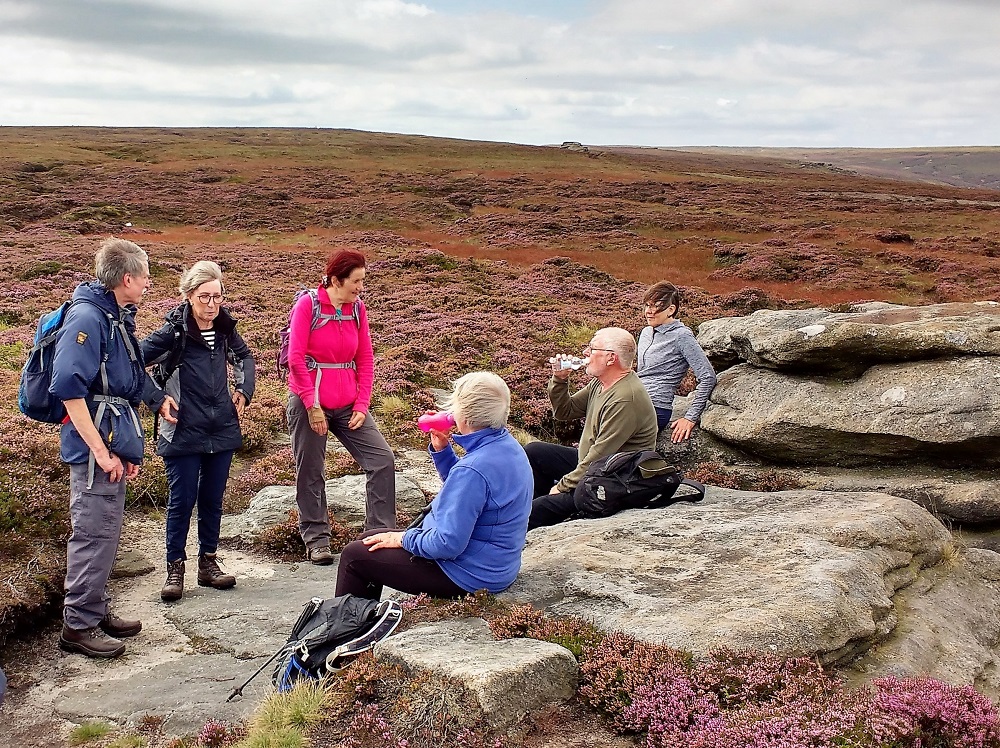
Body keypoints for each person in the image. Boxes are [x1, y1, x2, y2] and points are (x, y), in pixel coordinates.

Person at [336, 372, 533, 600]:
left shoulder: (472, 469)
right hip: (495, 564)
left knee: (355, 556)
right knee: (372, 537)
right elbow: (470, 496)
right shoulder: (509, 447)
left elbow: (447, 544)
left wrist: (403, 539)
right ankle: (364, 616)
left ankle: (346, 628)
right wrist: (442, 451)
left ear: (465, 416)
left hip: (468, 574)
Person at [50, 237, 150, 658]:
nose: (148, 283)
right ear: (126, 278)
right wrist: (101, 452)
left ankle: (93, 608)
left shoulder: (113, 316)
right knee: (92, 532)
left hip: (111, 438)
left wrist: (156, 401)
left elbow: (124, 380)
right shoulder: (88, 318)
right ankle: (78, 626)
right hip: (94, 446)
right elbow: (69, 390)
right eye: (144, 276)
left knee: (106, 530)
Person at [141, 261, 256, 602]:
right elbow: (133, 363)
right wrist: (157, 400)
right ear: (189, 295)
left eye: (217, 297)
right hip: (181, 429)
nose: (212, 304)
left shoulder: (224, 329)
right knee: (182, 500)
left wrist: (243, 390)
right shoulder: (172, 333)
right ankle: (174, 568)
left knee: (212, 499)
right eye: (204, 296)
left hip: (220, 425)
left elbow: (245, 357)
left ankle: (208, 563)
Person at [286, 249, 396, 565]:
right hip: (310, 401)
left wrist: (362, 404)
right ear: (336, 279)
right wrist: (311, 405)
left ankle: (378, 533)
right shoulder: (308, 305)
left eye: (363, 280)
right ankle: (317, 540)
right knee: (310, 470)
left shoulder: (357, 309)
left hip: (348, 402)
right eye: (356, 281)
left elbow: (365, 358)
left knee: (382, 459)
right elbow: (295, 359)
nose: (361, 287)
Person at [524, 327, 658, 530]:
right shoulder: (601, 383)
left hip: (615, 480)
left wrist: (561, 487)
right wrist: (560, 379)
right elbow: (564, 411)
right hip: (595, 467)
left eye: (592, 348)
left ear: (611, 358)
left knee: (537, 509)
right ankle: (541, 508)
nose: (585, 353)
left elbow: (600, 456)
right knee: (535, 452)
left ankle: (536, 520)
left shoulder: (625, 398)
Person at [636, 282, 717, 441]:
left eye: (655, 307)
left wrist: (690, 417)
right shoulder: (646, 332)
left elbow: (708, 376)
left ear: (671, 310)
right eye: (647, 306)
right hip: (633, 399)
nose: (648, 312)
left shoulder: (682, 336)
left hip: (655, 407)